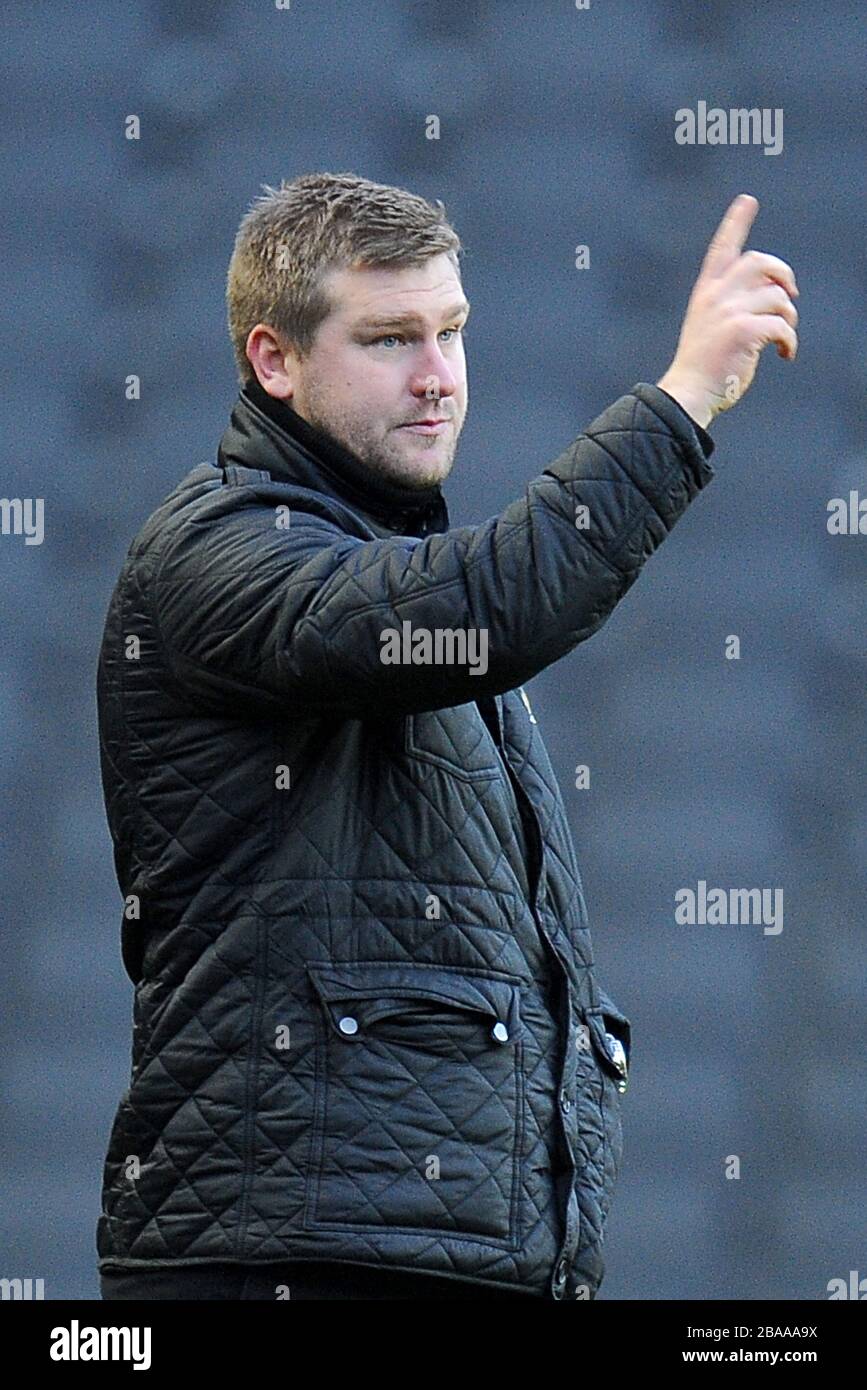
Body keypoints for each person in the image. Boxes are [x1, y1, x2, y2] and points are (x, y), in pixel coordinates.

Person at [96, 173, 798, 1301]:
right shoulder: (220, 549)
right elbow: (488, 610)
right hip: (292, 1262)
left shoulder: (386, 562)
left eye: (452, 331)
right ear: (273, 361)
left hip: (435, 1256)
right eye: (388, 339)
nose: (438, 376)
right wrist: (681, 401)